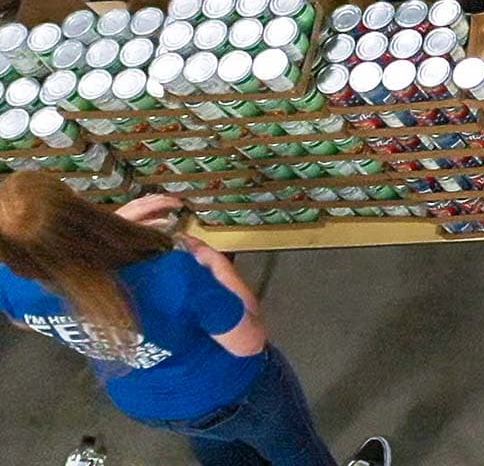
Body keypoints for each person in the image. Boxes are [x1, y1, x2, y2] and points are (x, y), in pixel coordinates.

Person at [0, 174, 339, 465]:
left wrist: (110, 229)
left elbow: (22, 319)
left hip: (147, 402)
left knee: (218, 447)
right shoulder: (172, 274)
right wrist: (214, 262)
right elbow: (249, 342)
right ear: (82, 212)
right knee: (294, 450)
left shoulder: (12, 282)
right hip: (234, 393)